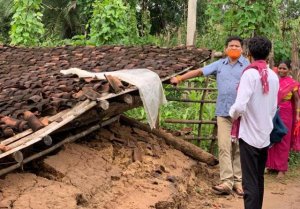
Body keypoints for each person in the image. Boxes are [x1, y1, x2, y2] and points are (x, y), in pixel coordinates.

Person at [170, 36, 249, 195]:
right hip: (223, 112)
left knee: (239, 148)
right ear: (226, 49)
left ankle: (238, 182)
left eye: (237, 46)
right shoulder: (220, 65)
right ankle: (227, 181)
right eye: (231, 46)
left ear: (242, 50)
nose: (234, 48)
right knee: (224, 146)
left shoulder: (248, 67)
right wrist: (180, 78)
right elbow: (200, 71)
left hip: (242, 114)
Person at [229, 36, 279, 209]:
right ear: (268, 54)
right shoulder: (273, 76)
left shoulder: (249, 74)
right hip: (264, 135)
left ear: (249, 53)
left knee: (249, 183)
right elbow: (273, 108)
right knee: (258, 179)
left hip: (249, 135)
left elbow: (240, 106)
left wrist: (232, 114)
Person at [266, 60, 300, 178]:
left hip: (286, 112)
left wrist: (298, 114)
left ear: (289, 70)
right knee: (272, 136)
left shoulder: (293, 83)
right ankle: (271, 166)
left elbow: (296, 100)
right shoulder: (274, 81)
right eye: (280, 68)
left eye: (284, 68)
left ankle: (281, 168)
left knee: (284, 139)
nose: (281, 70)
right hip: (274, 111)